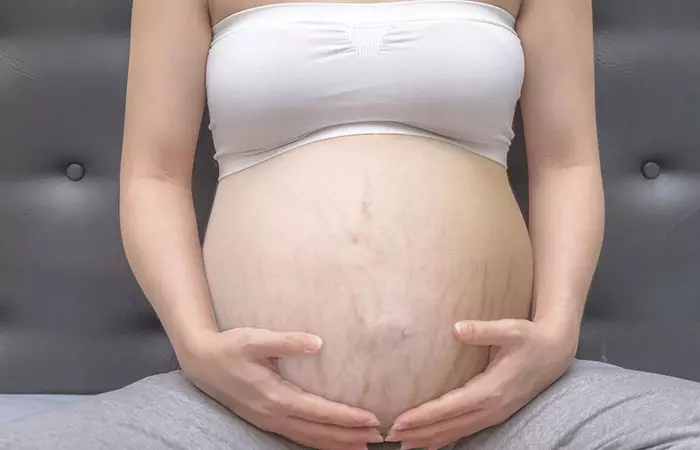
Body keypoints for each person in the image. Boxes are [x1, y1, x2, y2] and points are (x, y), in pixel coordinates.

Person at [2, 0, 700, 449]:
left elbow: (567, 164)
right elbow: (152, 176)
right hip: (243, 413)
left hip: (505, 409)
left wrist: (555, 335)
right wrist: (197, 347)